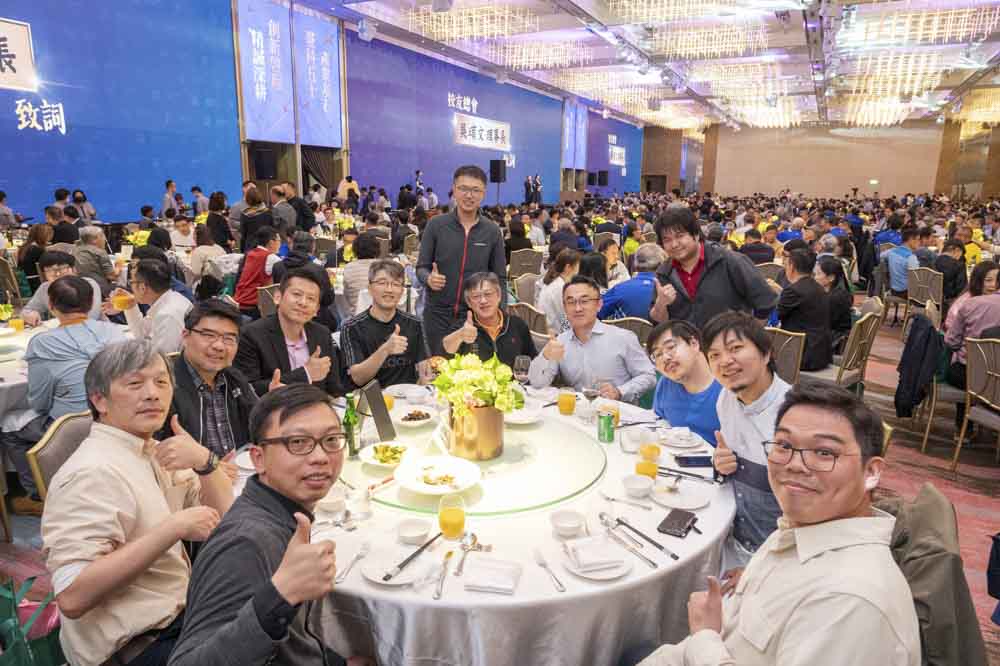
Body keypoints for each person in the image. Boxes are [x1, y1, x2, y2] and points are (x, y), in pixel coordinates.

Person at [635, 382, 920, 666]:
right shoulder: (798, 529)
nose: (795, 464)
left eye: (824, 453)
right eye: (784, 445)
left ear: (871, 472)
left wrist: (704, 638)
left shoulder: (851, 602)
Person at [42, 339, 234, 666]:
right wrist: (173, 528)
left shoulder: (152, 450)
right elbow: (72, 596)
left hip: (179, 616)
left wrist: (206, 461)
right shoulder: (92, 472)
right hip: (136, 647)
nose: (152, 394)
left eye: (161, 382)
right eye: (134, 384)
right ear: (99, 400)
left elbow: (224, 519)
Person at [168, 384, 372, 666]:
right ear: (258, 458)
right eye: (297, 442)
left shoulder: (284, 513)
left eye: (331, 440)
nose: (320, 457)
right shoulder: (245, 544)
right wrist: (281, 595)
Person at [7, 277, 125, 514]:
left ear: (51, 305)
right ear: (91, 302)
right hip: (117, 417)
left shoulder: (43, 343)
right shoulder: (115, 332)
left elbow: (39, 402)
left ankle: (38, 496)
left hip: (70, 425)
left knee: (9, 426)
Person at [703, 312, 790, 569]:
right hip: (732, 538)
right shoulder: (726, 399)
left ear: (766, 354)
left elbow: (816, 512)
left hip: (778, 557)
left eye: (735, 349)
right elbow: (733, 464)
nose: (725, 361)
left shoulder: (795, 416)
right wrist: (722, 464)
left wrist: (758, 571)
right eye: (714, 355)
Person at [416, 166, 507, 354]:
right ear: (454, 190)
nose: (469, 195)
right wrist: (428, 279)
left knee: (470, 367)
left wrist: (501, 313)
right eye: (463, 188)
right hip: (437, 314)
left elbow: (499, 277)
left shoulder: (492, 231)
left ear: (483, 193)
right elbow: (421, 267)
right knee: (438, 364)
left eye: (476, 190)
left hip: (474, 316)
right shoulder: (436, 225)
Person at [529, 276, 656, 403]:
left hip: (615, 410)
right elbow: (536, 383)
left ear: (599, 305)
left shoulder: (623, 338)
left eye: (584, 301)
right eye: (571, 302)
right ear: (565, 308)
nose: (578, 308)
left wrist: (620, 391)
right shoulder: (561, 342)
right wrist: (545, 357)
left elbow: (648, 376)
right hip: (578, 410)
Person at [156, 299, 258, 458]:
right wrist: (211, 466)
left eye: (228, 338)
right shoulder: (162, 387)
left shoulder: (233, 378)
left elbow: (258, 424)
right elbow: (155, 453)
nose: (219, 346)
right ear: (185, 336)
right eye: (209, 335)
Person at [650, 207, 776, 328]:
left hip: (727, 340)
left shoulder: (730, 261)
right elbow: (659, 322)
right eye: (667, 240)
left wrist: (747, 336)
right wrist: (661, 304)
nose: (674, 244)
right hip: (685, 341)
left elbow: (766, 302)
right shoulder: (664, 273)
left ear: (696, 234)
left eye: (679, 236)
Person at [234, 269, 345, 397]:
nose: (303, 303)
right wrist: (306, 373)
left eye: (311, 298)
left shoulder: (322, 334)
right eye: (297, 294)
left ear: (317, 310)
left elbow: (334, 388)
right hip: (274, 408)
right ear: (277, 297)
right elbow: (246, 390)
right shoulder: (251, 335)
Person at [342, 259, 430, 388]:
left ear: (402, 291)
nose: (389, 289)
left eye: (396, 284)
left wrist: (425, 379)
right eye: (382, 283)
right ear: (369, 288)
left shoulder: (414, 323)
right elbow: (357, 378)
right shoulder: (352, 327)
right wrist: (386, 349)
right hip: (371, 398)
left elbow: (424, 367)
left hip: (408, 396)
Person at [646, 320, 722, 446]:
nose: (665, 358)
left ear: (694, 344)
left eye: (671, 347)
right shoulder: (666, 383)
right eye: (658, 354)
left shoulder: (727, 387)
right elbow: (658, 423)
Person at [443, 271, 537, 366]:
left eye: (488, 294)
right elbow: (445, 351)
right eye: (476, 296)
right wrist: (460, 335)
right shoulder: (462, 327)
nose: (483, 301)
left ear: (499, 296)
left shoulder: (517, 325)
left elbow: (532, 361)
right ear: (469, 302)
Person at [112, 259, 193, 354]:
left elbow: (163, 357)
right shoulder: (168, 299)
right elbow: (142, 334)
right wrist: (130, 306)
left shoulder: (167, 315)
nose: (131, 287)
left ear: (142, 287)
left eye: (131, 282)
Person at [774, 249, 832, 371]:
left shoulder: (793, 290)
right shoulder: (818, 287)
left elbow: (775, 316)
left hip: (802, 355)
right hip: (821, 352)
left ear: (792, 266)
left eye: (786, 264)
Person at [22, 251, 103, 326]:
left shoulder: (87, 284)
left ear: (73, 269)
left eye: (62, 268)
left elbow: (92, 315)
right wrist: (30, 315)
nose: (57, 274)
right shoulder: (45, 288)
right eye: (50, 270)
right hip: (59, 331)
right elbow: (26, 311)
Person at [598, 244, 665, 320]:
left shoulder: (619, 289)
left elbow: (597, 312)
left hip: (622, 328)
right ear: (661, 264)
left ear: (635, 264)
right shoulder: (670, 290)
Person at [234, 226, 282, 319]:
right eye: (279, 241)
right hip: (254, 306)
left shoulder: (250, 253)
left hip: (238, 300)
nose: (280, 244)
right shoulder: (271, 258)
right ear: (271, 242)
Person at [536, 247, 580, 334]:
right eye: (578, 266)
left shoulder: (552, 280)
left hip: (546, 329)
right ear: (568, 267)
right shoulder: (560, 288)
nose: (578, 271)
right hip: (554, 333)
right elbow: (565, 320)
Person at [814, 255, 853, 347]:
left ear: (831, 277)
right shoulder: (835, 292)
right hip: (831, 335)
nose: (815, 277)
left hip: (834, 341)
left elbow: (824, 324)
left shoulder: (836, 298)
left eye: (818, 274)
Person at [341, 231, 380, 316]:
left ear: (355, 249)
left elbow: (347, 296)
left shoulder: (349, 268)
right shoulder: (383, 267)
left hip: (356, 316)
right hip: (381, 315)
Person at [75, 225, 117, 296]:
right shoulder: (99, 252)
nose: (105, 239)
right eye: (102, 236)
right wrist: (118, 266)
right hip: (99, 289)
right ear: (94, 240)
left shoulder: (75, 249)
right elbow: (112, 276)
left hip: (79, 289)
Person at [886, 226, 920, 298]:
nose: (919, 243)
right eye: (918, 240)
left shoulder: (891, 252)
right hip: (906, 292)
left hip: (893, 290)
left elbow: (880, 256)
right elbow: (916, 278)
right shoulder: (911, 257)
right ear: (911, 240)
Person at [17, 222, 52, 291]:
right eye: (48, 235)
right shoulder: (38, 250)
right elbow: (46, 268)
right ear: (43, 236)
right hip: (35, 284)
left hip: (24, 282)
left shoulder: (24, 247)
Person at [239, 188, 274, 253]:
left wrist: (242, 250)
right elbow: (272, 230)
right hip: (265, 246)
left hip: (250, 248)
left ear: (247, 199)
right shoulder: (268, 212)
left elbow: (243, 235)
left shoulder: (245, 214)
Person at [935, 239, 968, 304]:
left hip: (934, 301)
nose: (960, 257)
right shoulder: (959, 266)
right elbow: (962, 289)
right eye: (961, 254)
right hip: (952, 302)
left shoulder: (934, 261)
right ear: (957, 250)